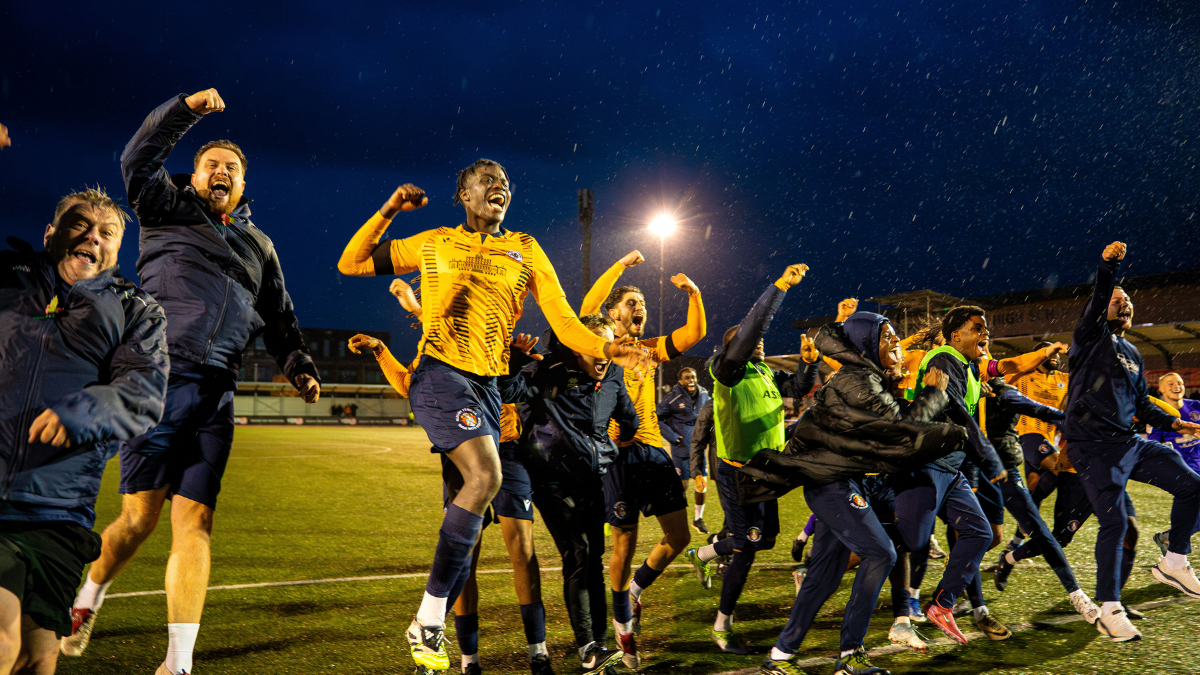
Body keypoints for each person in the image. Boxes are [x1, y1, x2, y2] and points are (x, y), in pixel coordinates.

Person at [337, 166, 649, 674]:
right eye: (485, 177)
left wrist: (607, 346)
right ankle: (431, 621)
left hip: (486, 386)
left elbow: (564, 317)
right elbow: (351, 263)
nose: (497, 183)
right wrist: (390, 209)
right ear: (463, 194)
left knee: (485, 494)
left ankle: (459, 633)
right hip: (441, 373)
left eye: (504, 178)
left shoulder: (525, 248)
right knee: (487, 476)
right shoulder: (434, 242)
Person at [63, 89, 321, 675]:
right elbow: (136, 160)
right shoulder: (165, 207)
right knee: (137, 519)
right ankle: (87, 597)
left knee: (195, 520)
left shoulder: (259, 245)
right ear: (195, 176)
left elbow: (280, 317)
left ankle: (178, 663)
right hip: (157, 376)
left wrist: (299, 363)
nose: (222, 171)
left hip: (216, 391)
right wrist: (186, 109)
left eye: (232, 167)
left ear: (243, 182)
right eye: (212, 165)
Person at [1, 188, 169, 675]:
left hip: (61, 511)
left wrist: (82, 411)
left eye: (107, 232)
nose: (92, 236)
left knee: (39, 656)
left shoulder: (137, 311)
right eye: (79, 225)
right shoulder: (5, 278)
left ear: (118, 250)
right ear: (51, 233)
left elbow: (143, 394)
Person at [348, 284, 554, 675]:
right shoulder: (440, 354)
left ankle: (538, 652)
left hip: (509, 449)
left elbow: (524, 382)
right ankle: (466, 658)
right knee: (466, 558)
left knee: (522, 552)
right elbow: (411, 383)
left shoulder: (499, 336)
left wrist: (529, 358)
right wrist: (382, 349)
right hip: (465, 450)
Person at [756, 312, 965, 675]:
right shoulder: (857, 380)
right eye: (887, 337)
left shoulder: (867, 377)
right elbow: (903, 430)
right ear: (867, 344)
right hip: (832, 485)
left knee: (823, 576)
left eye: (896, 336)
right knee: (881, 553)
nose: (897, 343)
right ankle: (851, 655)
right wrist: (934, 393)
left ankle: (779, 657)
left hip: (844, 482)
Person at [1058, 242, 1200, 642]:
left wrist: (1180, 425)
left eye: (1129, 300)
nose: (1124, 303)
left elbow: (1141, 405)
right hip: (1091, 445)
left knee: (1192, 485)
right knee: (1116, 522)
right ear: (1099, 309)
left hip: (1128, 442)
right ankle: (1109, 608)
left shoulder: (1134, 352)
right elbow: (1102, 293)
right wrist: (1108, 269)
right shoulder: (1088, 337)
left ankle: (1174, 560)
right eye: (1117, 299)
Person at [579, 251, 706, 668]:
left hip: (654, 454)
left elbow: (692, 334)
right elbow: (584, 309)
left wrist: (694, 294)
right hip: (618, 456)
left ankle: (634, 590)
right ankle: (622, 625)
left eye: (643, 306)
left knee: (680, 537)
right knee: (624, 543)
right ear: (612, 313)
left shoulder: (649, 349)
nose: (641, 310)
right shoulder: (602, 348)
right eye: (632, 304)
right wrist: (618, 267)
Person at [681, 264, 816, 654]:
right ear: (733, 348)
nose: (759, 341)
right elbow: (750, 329)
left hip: (766, 470)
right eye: (750, 338)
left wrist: (808, 362)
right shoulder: (726, 372)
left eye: (760, 338)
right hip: (738, 472)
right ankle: (722, 626)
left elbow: (799, 388)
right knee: (744, 546)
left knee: (765, 540)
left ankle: (703, 553)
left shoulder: (764, 372)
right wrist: (778, 288)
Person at [499, 315, 638, 675]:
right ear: (578, 345)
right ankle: (588, 646)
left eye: (608, 345)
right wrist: (515, 360)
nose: (605, 353)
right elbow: (507, 391)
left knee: (594, 557)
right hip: (551, 478)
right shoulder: (547, 369)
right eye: (597, 346)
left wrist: (616, 444)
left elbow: (627, 416)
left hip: (593, 478)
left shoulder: (612, 375)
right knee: (578, 552)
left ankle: (600, 645)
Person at [894, 305, 1007, 645]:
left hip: (950, 468)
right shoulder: (944, 359)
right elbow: (957, 412)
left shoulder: (966, 366)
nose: (985, 333)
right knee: (904, 544)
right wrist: (988, 456)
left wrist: (988, 390)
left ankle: (941, 604)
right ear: (957, 333)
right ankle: (818, 568)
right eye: (978, 327)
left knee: (979, 532)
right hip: (927, 465)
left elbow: (966, 402)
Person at [1149, 372, 1200, 555]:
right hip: (1185, 470)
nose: (1176, 386)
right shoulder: (1158, 417)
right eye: (1170, 384)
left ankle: (1169, 538)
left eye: (1179, 382)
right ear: (1160, 389)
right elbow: (1153, 446)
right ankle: (1175, 551)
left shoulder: (1196, 407)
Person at [657, 368, 711, 533]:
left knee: (702, 485)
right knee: (682, 486)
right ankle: (674, 520)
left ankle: (698, 519)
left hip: (699, 448)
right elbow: (658, 418)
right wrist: (673, 437)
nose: (691, 380)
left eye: (693, 377)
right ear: (680, 381)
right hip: (682, 448)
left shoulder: (704, 395)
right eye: (687, 378)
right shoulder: (672, 398)